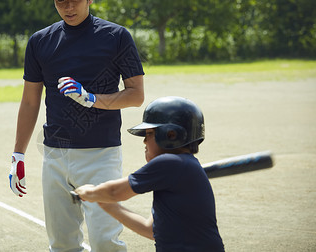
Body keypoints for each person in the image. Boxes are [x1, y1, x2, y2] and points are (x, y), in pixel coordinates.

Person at [8, 0, 145, 252]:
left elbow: (136, 95)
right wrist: (18, 153)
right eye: (61, 2)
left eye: (75, 0)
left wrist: (93, 98)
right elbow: (31, 100)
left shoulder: (116, 37)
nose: (68, 7)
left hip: (101, 154)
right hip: (54, 154)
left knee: (105, 241)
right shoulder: (40, 42)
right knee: (62, 243)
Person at [75, 96, 225, 252]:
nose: (144, 142)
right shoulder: (181, 167)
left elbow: (115, 192)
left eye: (149, 134)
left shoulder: (170, 163)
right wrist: (108, 206)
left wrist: (88, 191)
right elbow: (151, 229)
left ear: (171, 135)